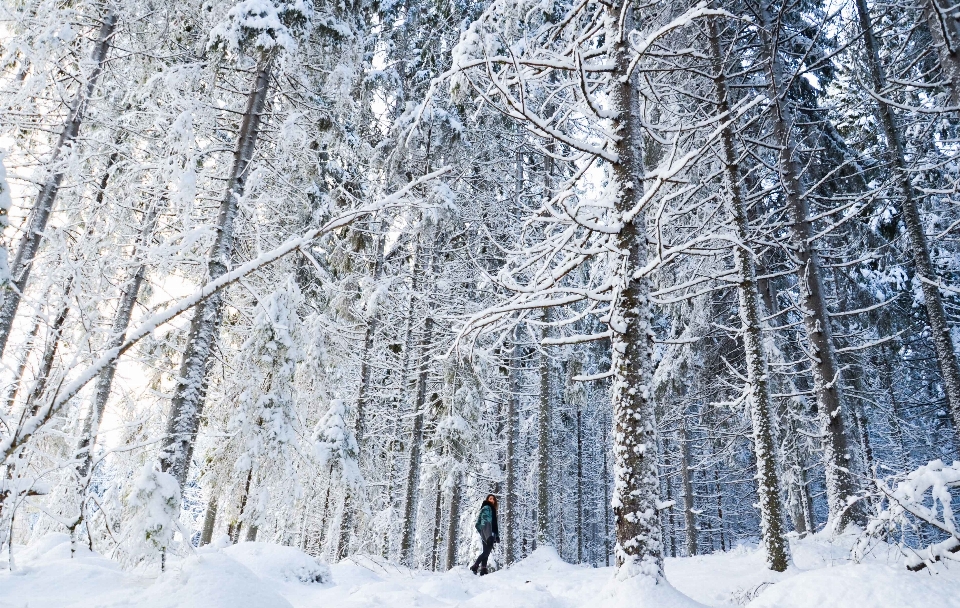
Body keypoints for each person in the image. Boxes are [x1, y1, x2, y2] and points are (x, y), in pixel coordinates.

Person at [470, 494, 499, 575]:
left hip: (490, 533)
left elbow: (494, 525)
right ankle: (475, 566)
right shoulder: (487, 508)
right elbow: (485, 522)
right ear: (487, 500)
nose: (492, 500)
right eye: (490, 498)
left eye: (493, 499)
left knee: (486, 552)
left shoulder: (492, 510)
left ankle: (483, 569)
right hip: (488, 532)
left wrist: (496, 536)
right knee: (486, 552)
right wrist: (488, 535)